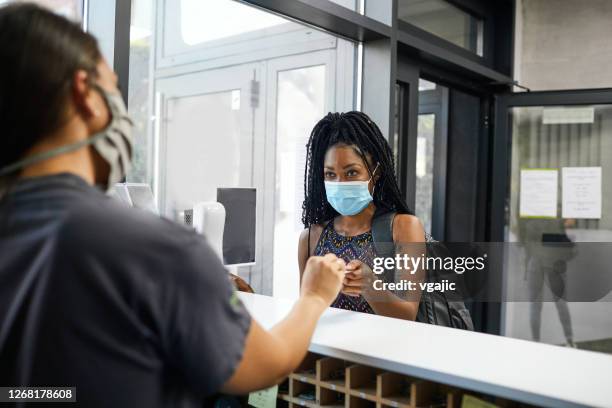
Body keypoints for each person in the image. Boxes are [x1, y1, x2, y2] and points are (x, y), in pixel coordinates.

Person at [0, 4, 345, 407]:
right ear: (85, 94)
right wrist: (314, 298)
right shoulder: (151, 248)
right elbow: (263, 365)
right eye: (114, 88)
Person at [298, 112, 425, 320]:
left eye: (351, 173)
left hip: (381, 351)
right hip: (326, 350)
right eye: (330, 174)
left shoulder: (403, 227)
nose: (340, 183)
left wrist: (370, 286)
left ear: (375, 173)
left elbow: (408, 315)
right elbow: (305, 315)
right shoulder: (310, 237)